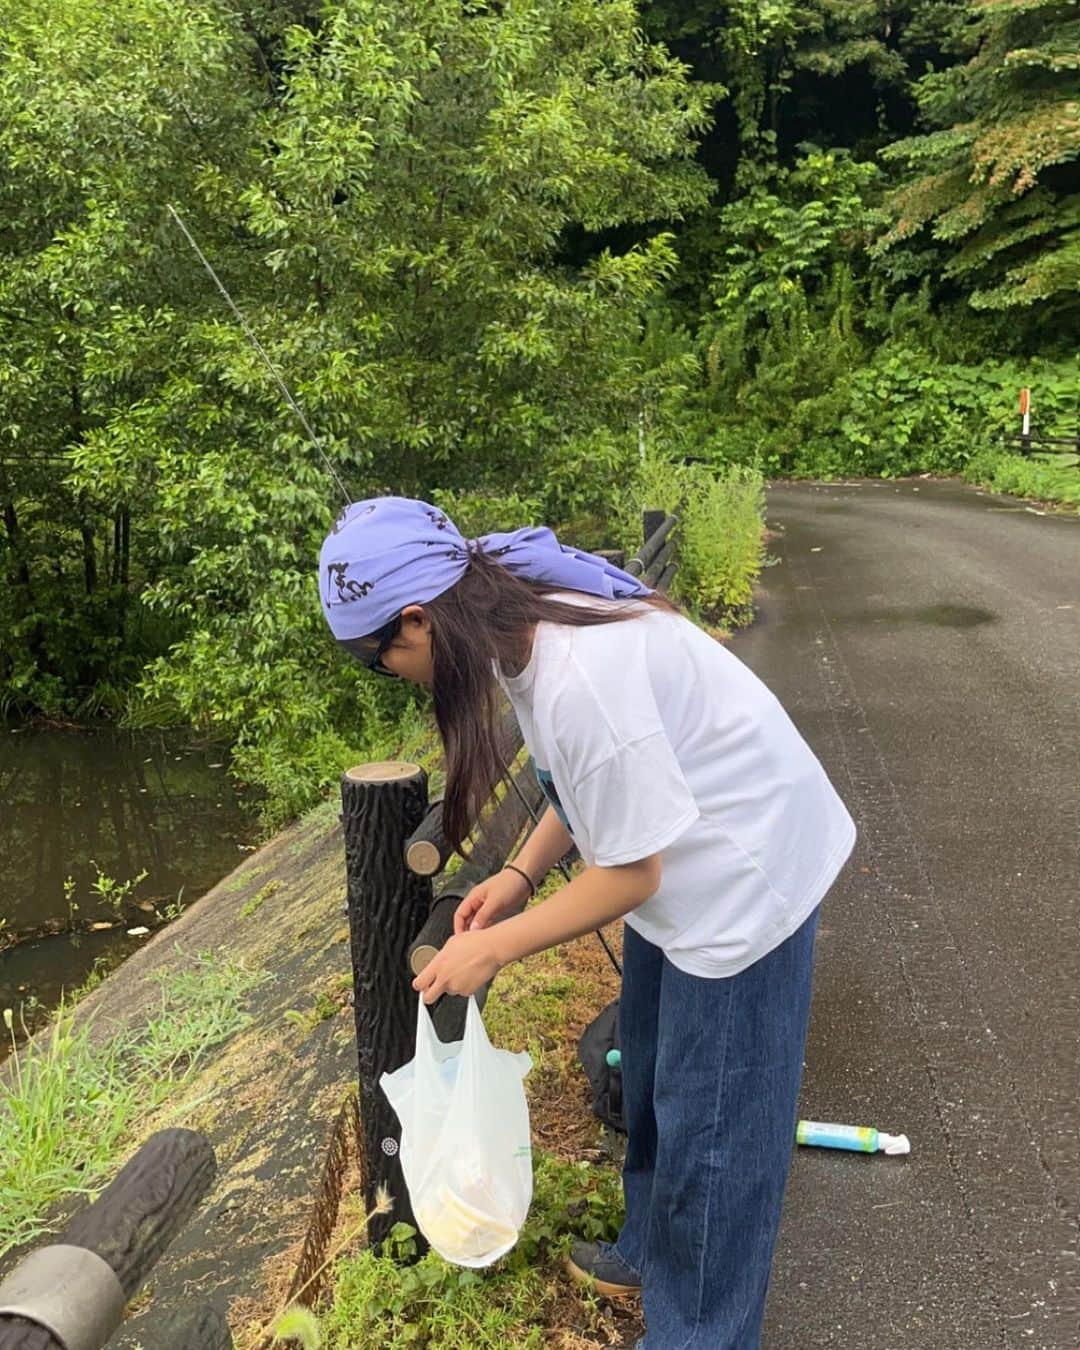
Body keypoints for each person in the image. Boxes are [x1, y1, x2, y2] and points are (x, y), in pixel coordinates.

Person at [319, 496, 856, 1349]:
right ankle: (647, 1250)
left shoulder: (580, 677)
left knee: (713, 1142)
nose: (387, 672)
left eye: (375, 656)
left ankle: (700, 1333)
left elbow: (630, 874)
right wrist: (520, 874)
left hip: (744, 878)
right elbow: (576, 780)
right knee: (649, 1079)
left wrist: (494, 945)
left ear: (417, 621)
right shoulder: (513, 621)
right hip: (682, 862)